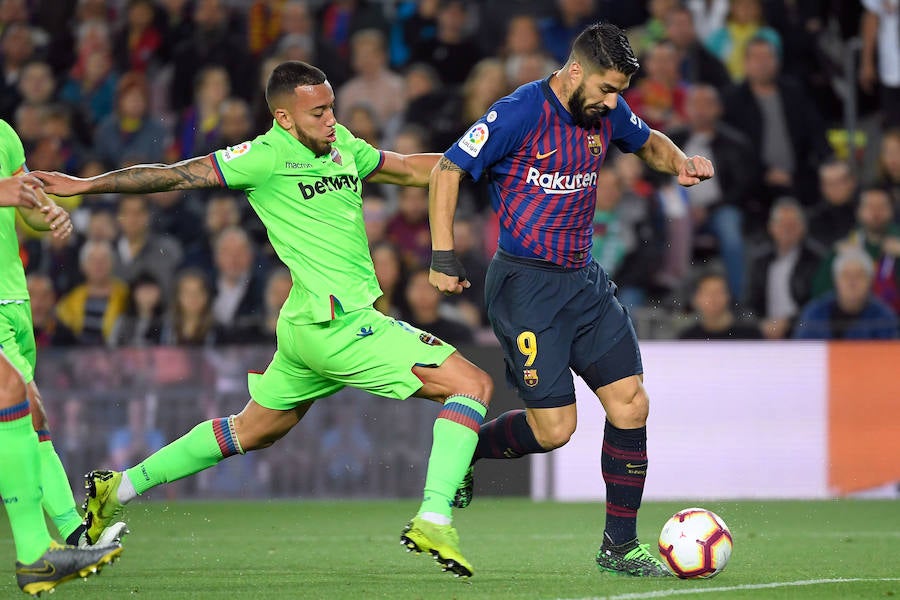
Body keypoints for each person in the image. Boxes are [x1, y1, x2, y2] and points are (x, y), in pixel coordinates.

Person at [35, 60, 494, 578]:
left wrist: (485, 155)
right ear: (283, 118)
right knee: (471, 385)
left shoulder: (340, 143)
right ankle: (434, 514)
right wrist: (85, 185)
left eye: (331, 108)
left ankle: (119, 488)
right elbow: (172, 175)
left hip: (303, 329)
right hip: (339, 324)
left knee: (251, 431)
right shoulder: (262, 157)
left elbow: (411, 167)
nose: (329, 119)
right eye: (317, 112)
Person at [427, 22, 713, 577]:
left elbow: (648, 140)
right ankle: (468, 455)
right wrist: (443, 255)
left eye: (620, 94)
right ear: (575, 70)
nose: (613, 103)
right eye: (607, 89)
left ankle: (619, 547)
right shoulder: (518, 112)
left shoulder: (606, 111)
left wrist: (678, 161)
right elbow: (446, 170)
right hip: (526, 288)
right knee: (555, 430)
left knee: (631, 402)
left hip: (582, 280)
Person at [0, 119, 124, 595]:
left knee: (29, 414)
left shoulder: (6, 133)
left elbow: (22, 201)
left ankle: (72, 532)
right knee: (16, 398)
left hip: (13, 297)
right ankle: (35, 553)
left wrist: (46, 212)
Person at [793, 247, 899, 340]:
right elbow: (801, 352)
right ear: (836, 280)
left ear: (870, 280)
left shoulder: (885, 317)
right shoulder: (814, 313)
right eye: (846, 275)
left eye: (859, 275)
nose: (852, 282)